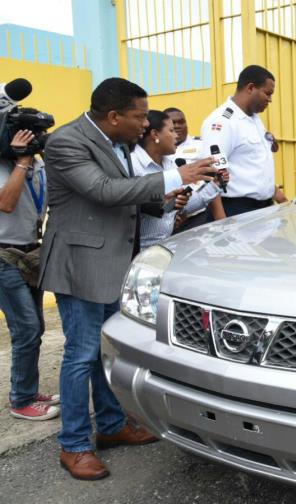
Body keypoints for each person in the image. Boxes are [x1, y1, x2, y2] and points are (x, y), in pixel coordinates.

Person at [39, 77, 217, 480]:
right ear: (115, 115)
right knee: (80, 355)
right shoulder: (67, 142)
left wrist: (166, 201)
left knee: (106, 352)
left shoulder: (116, 142)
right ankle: (75, 444)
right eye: (139, 117)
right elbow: (102, 190)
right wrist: (177, 177)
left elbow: (126, 195)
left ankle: (112, 425)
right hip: (80, 265)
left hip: (115, 263)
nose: (145, 124)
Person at [0, 129, 59, 421]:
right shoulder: (5, 166)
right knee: (25, 328)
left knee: (35, 327)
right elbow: (6, 203)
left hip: (31, 253)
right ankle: (21, 400)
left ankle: (29, 390)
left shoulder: (40, 166)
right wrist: (21, 161)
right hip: (3, 256)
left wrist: (42, 153)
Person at [200, 65, 288, 217]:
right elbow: (212, 176)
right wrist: (223, 224)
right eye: (267, 93)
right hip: (236, 210)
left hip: (263, 208)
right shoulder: (222, 122)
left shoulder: (254, 119)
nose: (270, 99)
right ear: (251, 88)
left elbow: (253, 167)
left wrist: (282, 200)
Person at [133, 110, 228, 248]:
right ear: (155, 134)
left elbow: (183, 205)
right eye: (171, 130)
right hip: (136, 251)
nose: (176, 135)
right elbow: (131, 202)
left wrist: (215, 184)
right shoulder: (133, 165)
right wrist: (163, 200)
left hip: (165, 246)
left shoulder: (169, 163)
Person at [164, 107, 225, 231]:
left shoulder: (200, 146)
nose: (177, 126)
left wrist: (221, 219)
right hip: (167, 217)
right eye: (173, 123)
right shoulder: (159, 149)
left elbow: (211, 183)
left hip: (197, 217)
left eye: (181, 122)